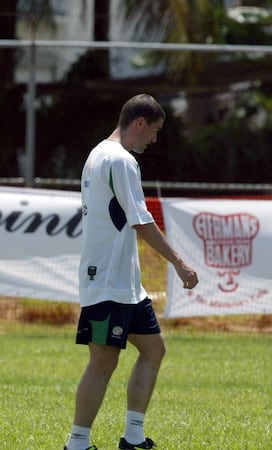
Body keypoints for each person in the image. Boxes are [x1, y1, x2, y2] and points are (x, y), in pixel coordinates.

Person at [64, 94, 198, 450]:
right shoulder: (121, 160)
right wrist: (180, 263)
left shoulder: (97, 153)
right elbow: (141, 221)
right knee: (103, 360)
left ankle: (133, 436)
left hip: (126, 284)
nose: (153, 140)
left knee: (153, 349)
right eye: (153, 132)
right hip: (108, 279)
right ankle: (77, 443)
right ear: (140, 123)